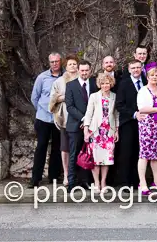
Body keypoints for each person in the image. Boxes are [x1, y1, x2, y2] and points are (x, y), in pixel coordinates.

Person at [30, 52, 63, 188]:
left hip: (58, 119)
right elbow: (34, 97)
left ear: (61, 62)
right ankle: (35, 179)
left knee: (57, 148)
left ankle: (54, 177)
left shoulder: (65, 77)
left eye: (56, 61)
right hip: (43, 118)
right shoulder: (42, 77)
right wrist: (42, 110)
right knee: (41, 147)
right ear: (49, 63)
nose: (54, 64)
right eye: (52, 62)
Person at [65, 60, 98, 189]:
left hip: (91, 127)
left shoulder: (95, 84)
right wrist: (84, 119)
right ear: (78, 70)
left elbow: (97, 105)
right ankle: (72, 183)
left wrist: (89, 123)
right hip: (75, 125)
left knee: (89, 154)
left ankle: (85, 181)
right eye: (82, 70)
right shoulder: (70, 85)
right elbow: (70, 106)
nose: (84, 73)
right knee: (74, 154)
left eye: (86, 70)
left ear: (90, 71)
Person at [82, 72, 118, 189]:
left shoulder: (114, 96)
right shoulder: (94, 96)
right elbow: (89, 113)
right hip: (96, 132)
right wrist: (86, 130)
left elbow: (116, 115)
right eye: (102, 83)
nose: (105, 85)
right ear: (99, 84)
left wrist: (117, 130)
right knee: (96, 159)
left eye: (107, 83)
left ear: (111, 84)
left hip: (109, 132)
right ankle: (96, 182)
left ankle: (103, 182)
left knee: (107, 158)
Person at [136, 62, 157, 194]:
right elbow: (141, 108)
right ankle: (142, 183)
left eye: (156, 75)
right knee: (144, 155)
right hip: (147, 126)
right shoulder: (143, 91)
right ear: (147, 76)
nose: (154, 77)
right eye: (152, 75)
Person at [49, 55, 78, 186]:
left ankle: (79, 176)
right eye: (70, 64)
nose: (72, 66)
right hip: (65, 118)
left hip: (80, 117)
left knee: (79, 148)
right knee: (65, 148)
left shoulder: (83, 78)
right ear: (66, 66)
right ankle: (66, 174)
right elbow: (53, 99)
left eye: (74, 64)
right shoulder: (59, 82)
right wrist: (68, 97)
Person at [114, 60, 144, 188]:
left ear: (142, 68)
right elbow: (119, 104)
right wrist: (133, 114)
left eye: (138, 67)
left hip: (144, 123)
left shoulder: (146, 82)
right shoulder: (124, 84)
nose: (136, 70)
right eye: (133, 68)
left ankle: (136, 180)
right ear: (129, 69)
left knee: (139, 152)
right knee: (126, 152)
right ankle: (125, 182)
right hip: (127, 123)